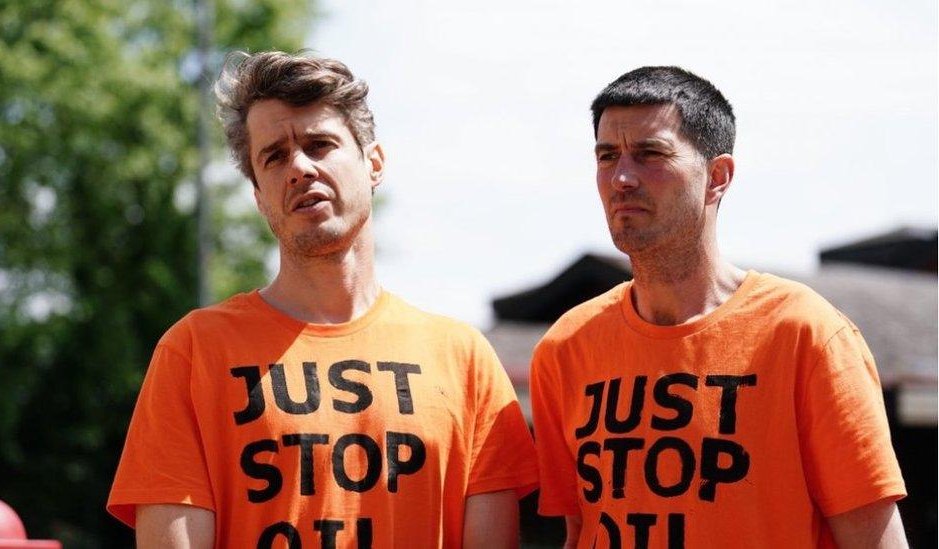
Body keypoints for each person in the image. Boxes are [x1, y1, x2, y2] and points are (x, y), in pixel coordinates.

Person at [107, 51, 538, 548]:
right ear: (259, 196)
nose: (300, 168)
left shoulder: (465, 359)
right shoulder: (194, 352)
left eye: (320, 144)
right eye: (274, 156)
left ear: (373, 163)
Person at [530, 66, 908, 549]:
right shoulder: (566, 347)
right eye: (607, 156)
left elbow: (872, 538)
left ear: (717, 176)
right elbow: (580, 530)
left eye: (650, 154)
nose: (622, 177)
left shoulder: (805, 334)